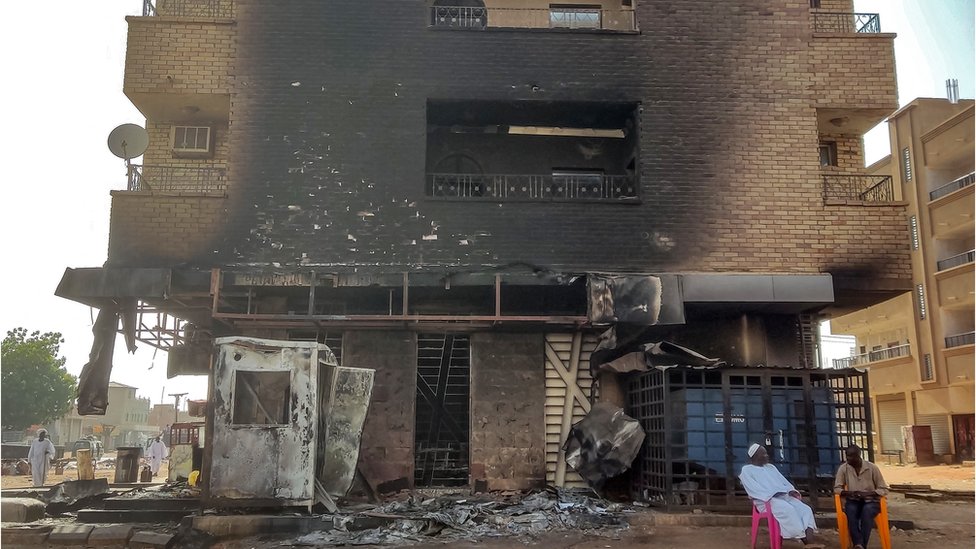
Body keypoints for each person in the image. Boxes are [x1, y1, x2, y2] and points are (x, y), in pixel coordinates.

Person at [739, 443, 824, 548]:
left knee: (805, 509)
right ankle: (807, 542)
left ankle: (811, 541)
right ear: (755, 456)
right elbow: (754, 490)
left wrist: (791, 490)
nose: (767, 456)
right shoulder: (747, 470)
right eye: (764, 454)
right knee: (788, 509)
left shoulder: (771, 467)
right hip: (765, 501)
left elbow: (784, 482)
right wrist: (772, 494)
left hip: (783, 497)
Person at [834, 444, 889, 549]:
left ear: (858, 456)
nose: (848, 459)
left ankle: (860, 545)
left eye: (851, 456)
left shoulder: (872, 468)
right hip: (853, 500)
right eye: (847, 456)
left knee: (867, 511)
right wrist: (850, 493)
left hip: (871, 501)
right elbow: (837, 488)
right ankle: (859, 544)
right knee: (850, 511)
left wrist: (867, 494)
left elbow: (883, 489)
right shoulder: (844, 468)